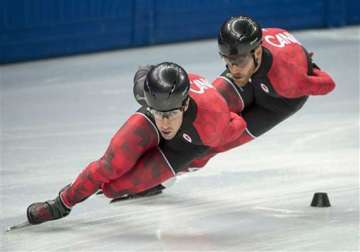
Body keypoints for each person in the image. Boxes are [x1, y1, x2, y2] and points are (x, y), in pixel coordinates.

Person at [26, 62, 247, 225]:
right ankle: (61, 204)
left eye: (170, 114)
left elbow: (236, 124)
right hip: (162, 114)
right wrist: (158, 109)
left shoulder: (213, 121)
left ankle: (160, 180)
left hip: (188, 143)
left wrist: (191, 162)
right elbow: (144, 70)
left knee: (115, 189)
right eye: (158, 113)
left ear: (185, 104)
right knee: (110, 166)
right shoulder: (145, 91)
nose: (164, 123)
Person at [190, 15, 336, 166]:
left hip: (275, 105)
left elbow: (328, 84)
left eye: (239, 61)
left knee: (212, 145)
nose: (233, 69)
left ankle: (171, 175)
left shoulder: (288, 80)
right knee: (206, 111)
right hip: (255, 75)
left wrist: (311, 70)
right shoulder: (245, 53)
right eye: (227, 60)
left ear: (257, 52)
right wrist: (240, 63)